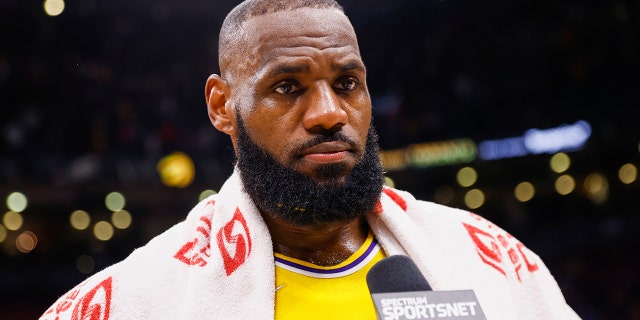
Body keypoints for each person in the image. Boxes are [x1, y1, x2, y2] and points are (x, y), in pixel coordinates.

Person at [41, 0, 580, 319]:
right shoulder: (137, 301)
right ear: (222, 106)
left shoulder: (488, 257)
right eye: (287, 86)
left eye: (347, 83)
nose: (328, 113)